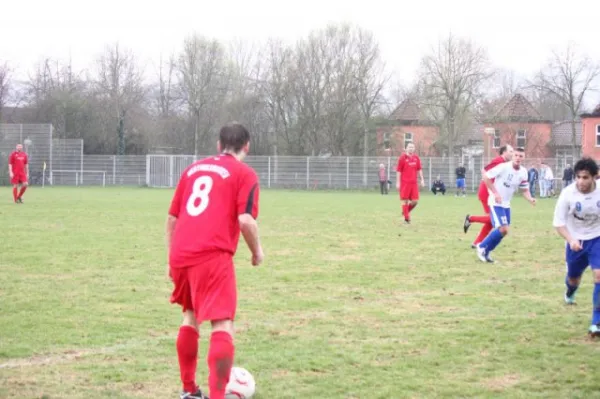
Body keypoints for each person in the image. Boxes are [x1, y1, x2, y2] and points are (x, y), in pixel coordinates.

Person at [165, 122, 264, 399]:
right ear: (247, 146)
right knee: (222, 324)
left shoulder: (193, 169)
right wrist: (257, 252)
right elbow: (245, 220)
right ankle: (218, 395)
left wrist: (170, 258)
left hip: (181, 253)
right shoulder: (245, 173)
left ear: (218, 145)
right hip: (212, 255)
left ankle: (188, 390)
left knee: (190, 316)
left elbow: (172, 218)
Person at [553, 157, 600, 337]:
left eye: (585, 177)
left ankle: (596, 322)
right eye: (578, 177)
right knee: (573, 279)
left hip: (597, 238)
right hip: (576, 241)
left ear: (595, 177)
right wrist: (571, 240)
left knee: (599, 275)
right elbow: (558, 223)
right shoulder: (568, 194)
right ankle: (570, 292)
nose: (581, 181)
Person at [476, 147, 536, 263]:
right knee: (503, 229)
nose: (518, 158)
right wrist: (495, 193)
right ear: (513, 156)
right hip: (496, 201)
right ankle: (482, 246)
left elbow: (524, 190)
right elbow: (486, 177)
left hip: (506, 204)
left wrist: (530, 199)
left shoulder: (523, 172)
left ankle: (486, 251)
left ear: (524, 158)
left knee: (504, 231)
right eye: (516, 155)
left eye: (520, 156)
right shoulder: (504, 167)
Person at [463, 145, 514, 247]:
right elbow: (484, 171)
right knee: (492, 219)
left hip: (489, 192)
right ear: (504, 152)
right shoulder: (499, 160)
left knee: (491, 222)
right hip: (487, 192)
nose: (512, 154)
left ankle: (476, 243)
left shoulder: (505, 163)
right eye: (511, 151)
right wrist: (492, 190)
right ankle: (470, 219)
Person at [396, 142, 425, 224]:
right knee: (404, 201)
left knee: (415, 201)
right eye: (409, 147)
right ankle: (406, 219)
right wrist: (398, 182)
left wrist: (422, 179)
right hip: (405, 183)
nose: (411, 148)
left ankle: (405, 212)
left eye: (412, 147)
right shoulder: (402, 158)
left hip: (414, 183)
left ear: (414, 148)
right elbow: (398, 171)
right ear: (406, 148)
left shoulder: (416, 158)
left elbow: (419, 169)